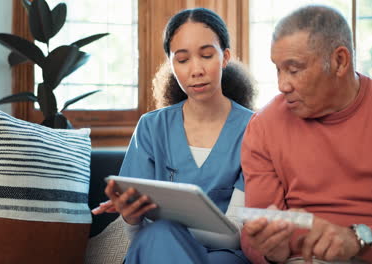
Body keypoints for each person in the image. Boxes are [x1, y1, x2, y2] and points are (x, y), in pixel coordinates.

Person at [240, 5, 372, 264]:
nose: (283, 85)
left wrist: (357, 241)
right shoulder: (264, 125)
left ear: (340, 61)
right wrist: (272, 251)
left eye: (294, 70)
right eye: (278, 69)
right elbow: (254, 235)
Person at [92, 7, 256, 264]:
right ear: (171, 64)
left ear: (225, 57)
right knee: (160, 234)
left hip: (222, 256)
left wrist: (178, 230)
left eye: (206, 55)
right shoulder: (151, 127)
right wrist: (131, 218)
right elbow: (140, 239)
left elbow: (238, 234)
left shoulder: (253, 129)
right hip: (157, 248)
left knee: (166, 232)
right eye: (182, 60)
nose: (196, 70)